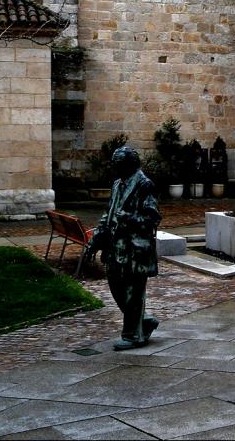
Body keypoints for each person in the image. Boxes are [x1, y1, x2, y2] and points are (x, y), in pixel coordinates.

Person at [84, 146, 161, 350]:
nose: (114, 167)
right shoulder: (118, 184)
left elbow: (152, 218)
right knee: (116, 288)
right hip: (115, 248)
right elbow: (107, 214)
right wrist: (96, 239)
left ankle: (132, 336)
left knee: (133, 293)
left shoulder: (144, 184)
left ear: (129, 165)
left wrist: (129, 218)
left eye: (118, 164)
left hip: (135, 249)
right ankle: (144, 321)